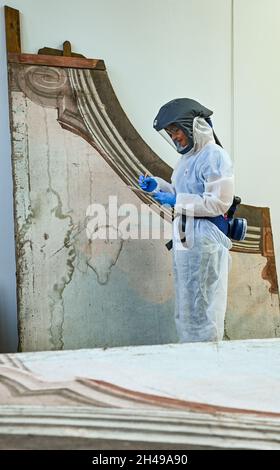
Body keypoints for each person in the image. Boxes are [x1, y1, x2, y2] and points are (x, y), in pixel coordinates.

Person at [139, 98, 234, 343]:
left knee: (205, 306)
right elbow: (181, 190)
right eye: (170, 134)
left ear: (192, 126)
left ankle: (209, 363)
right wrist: (158, 186)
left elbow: (218, 203)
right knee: (186, 306)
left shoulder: (215, 156)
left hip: (205, 239)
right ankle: (190, 358)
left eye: (176, 131)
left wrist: (177, 201)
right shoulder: (187, 159)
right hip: (186, 238)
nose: (175, 138)